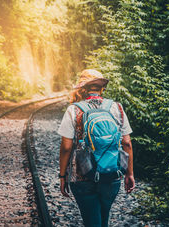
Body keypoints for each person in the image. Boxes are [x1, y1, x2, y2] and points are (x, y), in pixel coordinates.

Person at [58, 69, 135, 227]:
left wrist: (62, 176)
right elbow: (127, 143)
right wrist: (129, 173)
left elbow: (66, 147)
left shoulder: (74, 110)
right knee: (103, 217)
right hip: (112, 173)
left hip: (82, 176)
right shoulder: (117, 108)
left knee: (91, 220)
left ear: (83, 89)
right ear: (102, 89)